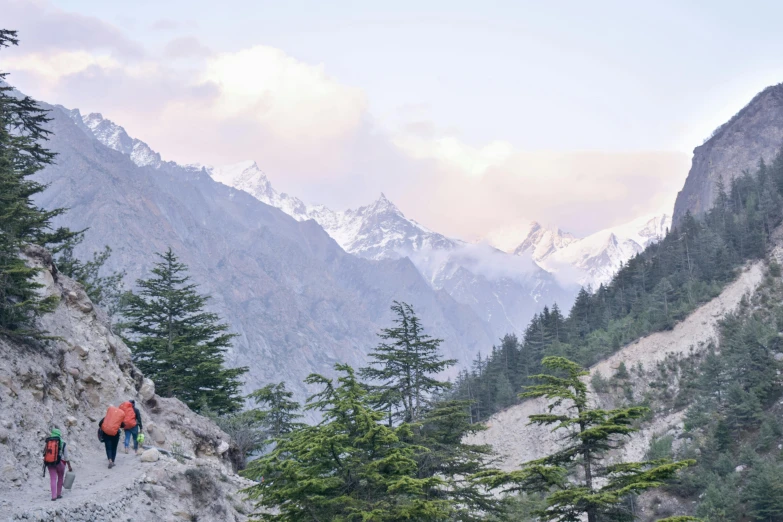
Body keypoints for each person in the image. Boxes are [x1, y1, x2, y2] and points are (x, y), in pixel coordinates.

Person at [43, 428, 71, 501]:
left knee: (53, 478)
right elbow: (66, 456)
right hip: (60, 463)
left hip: (49, 462)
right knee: (60, 477)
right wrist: (69, 466)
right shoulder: (62, 442)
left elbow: (45, 453)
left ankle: (53, 496)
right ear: (59, 434)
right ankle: (58, 494)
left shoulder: (48, 442)